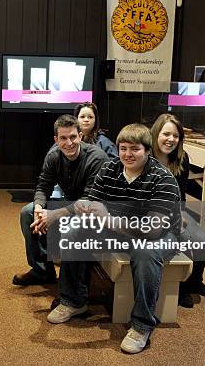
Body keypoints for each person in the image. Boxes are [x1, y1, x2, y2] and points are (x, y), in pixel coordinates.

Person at [46, 123, 182, 354]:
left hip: (159, 234)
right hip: (120, 228)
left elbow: (152, 231)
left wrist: (108, 220)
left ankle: (142, 325)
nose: (127, 154)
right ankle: (73, 300)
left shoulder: (163, 179)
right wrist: (81, 208)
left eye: (135, 149)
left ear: (147, 151)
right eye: (123, 148)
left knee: (145, 252)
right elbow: (93, 199)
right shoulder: (110, 169)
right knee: (74, 231)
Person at [12, 114, 109, 286]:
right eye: (63, 138)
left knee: (74, 224)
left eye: (73, 137)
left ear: (80, 136)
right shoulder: (54, 155)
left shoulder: (97, 158)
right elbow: (43, 185)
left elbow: (89, 200)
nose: (69, 143)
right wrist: (39, 209)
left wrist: (55, 214)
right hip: (71, 205)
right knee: (28, 212)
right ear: (56, 140)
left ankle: (70, 289)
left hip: (96, 212)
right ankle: (41, 271)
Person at [150, 113, 205, 308]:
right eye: (166, 134)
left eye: (176, 136)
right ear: (156, 133)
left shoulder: (182, 158)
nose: (171, 139)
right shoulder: (144, 156)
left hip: (175, 211)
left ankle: (194, 283)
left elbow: (180, 195)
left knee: (203, 242)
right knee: (175, 241)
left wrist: (179, 215)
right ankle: (178, 288)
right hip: (151, 215)